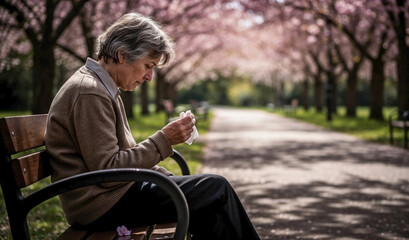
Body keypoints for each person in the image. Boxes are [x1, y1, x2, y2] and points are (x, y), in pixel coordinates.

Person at [45, 12, 260, 240]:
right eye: (148, 65)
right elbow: (108, 172)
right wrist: (164, 140)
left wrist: (163, 175)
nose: (149, 77)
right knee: (215, 188)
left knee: (212, 208)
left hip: (114, 194)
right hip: (101, 205)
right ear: (122, 55)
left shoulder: (100, 87)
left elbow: (117, 160)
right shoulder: (90, 92)